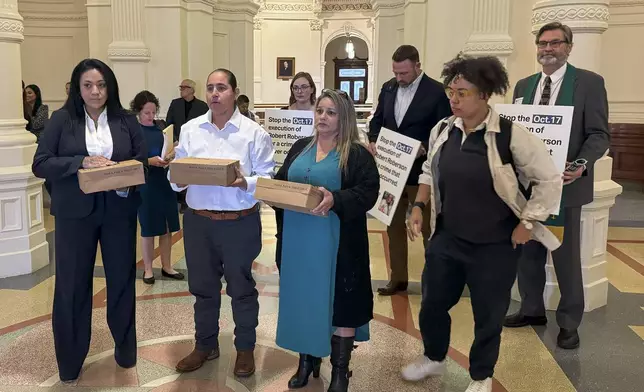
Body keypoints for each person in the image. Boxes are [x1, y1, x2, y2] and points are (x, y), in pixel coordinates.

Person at [400, 54, 562, 392]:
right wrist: (419, 204)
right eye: (451, 91)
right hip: (447, 238)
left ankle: (481, 375)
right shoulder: (443, 130)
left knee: (488, 315)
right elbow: (430, 169)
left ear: (485, 94)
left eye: (463, 93)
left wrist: (529, 222)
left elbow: (548, 180)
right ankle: (433, 357)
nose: (454, 100)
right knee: (432, 303)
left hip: (495, 245)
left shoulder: (509, 135)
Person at [32, 58, 147, 383]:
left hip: (118, 212)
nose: (95, 91)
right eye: (88, 85)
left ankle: (126, 352)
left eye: (101, 85)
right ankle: (69, 361)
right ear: (78, 88)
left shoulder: (126, 120)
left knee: (122, 282)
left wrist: (126, 175)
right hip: (74, 216)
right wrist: (80, 162)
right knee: (71, 286)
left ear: (110, 87)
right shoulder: (61, 119)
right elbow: (40, 163)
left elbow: (142, 162)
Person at [503, 22, 610, 350]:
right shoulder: (523, 85)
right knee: (528, 251)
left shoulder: (588, 83)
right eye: (542, 43)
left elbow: (599, 134)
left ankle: (568, 322)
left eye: (554, 43)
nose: (547, 49)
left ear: (568, 47)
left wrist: (580, 165)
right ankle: (532, 309)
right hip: (528, 189)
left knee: (564, 255)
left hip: (565, 188)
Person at [169, 68, 275, 376]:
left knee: (241, 289)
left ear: (234, 92)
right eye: (210, 88)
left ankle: (245, 348)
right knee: (203, 288)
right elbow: (175, 178)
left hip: (239, 223)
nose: (215, 94)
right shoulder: (190, 130)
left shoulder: (254, 133)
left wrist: (245, 182)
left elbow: (267, 179)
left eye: (222, 88)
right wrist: (176, 174)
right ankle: (205, 345)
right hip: (198, 222)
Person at [274, 89, 379, 392]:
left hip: (338, 247)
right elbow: (283, 182)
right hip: (298, 245)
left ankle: (340, 372)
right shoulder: (299, 147)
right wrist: (269, 190)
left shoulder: (356, 154)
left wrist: (337, 199)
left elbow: (368, 192)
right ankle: (307, 362)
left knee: (341, 304)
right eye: (320, 110)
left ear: (343, 118)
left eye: (331, 112)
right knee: (306, 301)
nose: (322, 116)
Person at [368, 44, 452, 296]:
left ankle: (434, 281)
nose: (399, 78)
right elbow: (377, 120)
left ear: (417, 66)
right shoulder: (388, 88)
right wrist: (373, 138)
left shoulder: (437, 92)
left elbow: (446, 128)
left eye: (404, 73)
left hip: (420, 173)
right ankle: (398, 278)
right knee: (392, 226)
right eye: (396, 72)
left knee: (426, 227)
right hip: (391, 172)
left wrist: (425, 147)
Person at [129, 90, 183, 284]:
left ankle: (167, 266)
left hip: (164, 181)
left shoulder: (160, 127)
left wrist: (171, 154)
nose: (151, 116)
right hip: (146, 183)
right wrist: (148, 161)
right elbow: (129, 158)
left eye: (153, 112)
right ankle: (148, 269)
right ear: (138, 111)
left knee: (167, 226)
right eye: (147, 113)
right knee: (149, 227)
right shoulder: (133, 131)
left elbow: (168, 147)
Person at [166, 79, 209, 212]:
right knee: (179, 169)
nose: (181, 89)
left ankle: (187, 199)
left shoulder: (202, 106)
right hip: (177, 142)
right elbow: (169, 122)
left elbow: (206, 127)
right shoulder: (175, 103)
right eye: (181, 87)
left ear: (192, 90)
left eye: (184, 87)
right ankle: (180, 199)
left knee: (192, 170)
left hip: (195, 144)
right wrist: (173, 140)